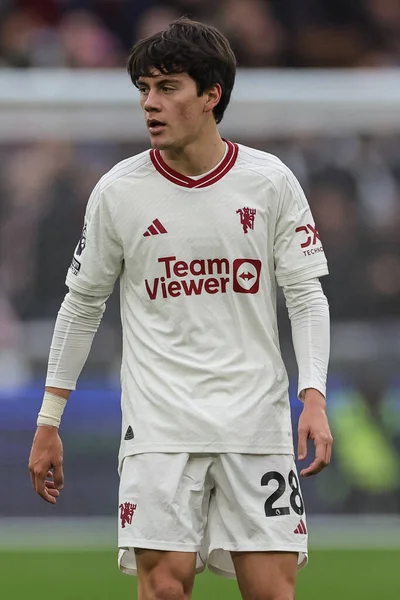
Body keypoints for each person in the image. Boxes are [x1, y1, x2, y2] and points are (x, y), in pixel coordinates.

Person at [28, 17, 333, 600]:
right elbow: (82, 303)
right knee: (164, 588)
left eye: (168, 87)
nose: (150, 103)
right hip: (160, 425)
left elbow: (306, 294)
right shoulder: (119, 191)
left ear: (211, 94)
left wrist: (312, 394)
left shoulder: (271, 182)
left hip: (256, 421)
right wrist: (49, 420)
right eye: (144, 88)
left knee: (273, 593)